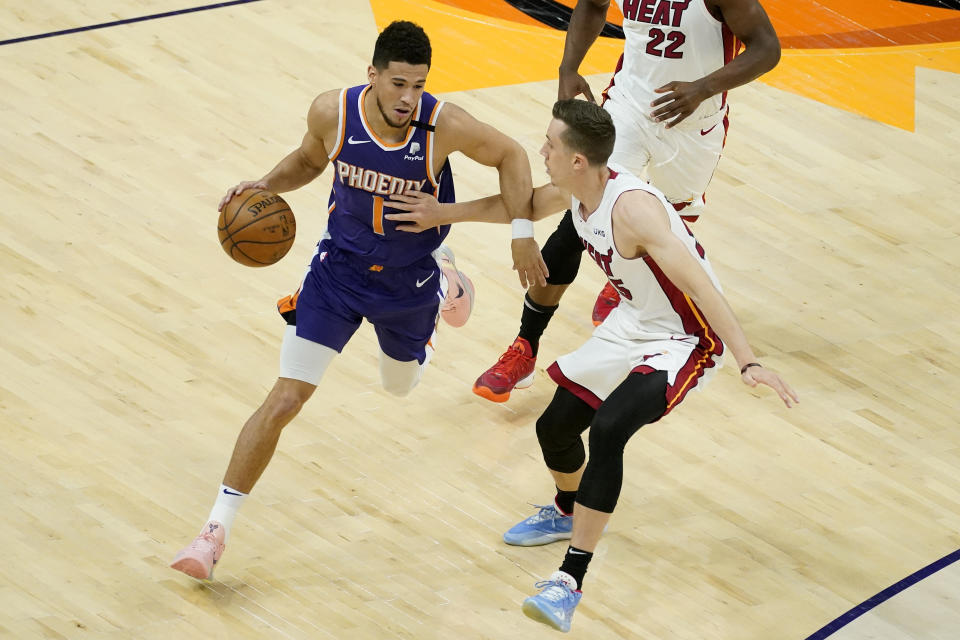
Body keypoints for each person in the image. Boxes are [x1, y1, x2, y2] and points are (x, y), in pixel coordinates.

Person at [386, 98, 798, 632]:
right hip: (633, 322)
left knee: (608, 429)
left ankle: (569, 581)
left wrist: (748, 362)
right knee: (553, 427)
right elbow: (522, 206)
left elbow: (700, 284)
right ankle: (567, 508)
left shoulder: (632, 209)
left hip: (685, 337)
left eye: (550, 145)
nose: (542, 151)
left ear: (578, 160)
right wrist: (443, 214)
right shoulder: (575, 189)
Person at [169, 20, 543, 581]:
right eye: (398, 84)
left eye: (418, 85)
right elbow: (309, 160)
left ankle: (446, 283)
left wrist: (520, 232)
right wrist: (263, 188)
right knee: (285, 399)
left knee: (400, 386)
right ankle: (213, 531)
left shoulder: (443, 127)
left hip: (407, 281)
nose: (409, 98)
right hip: (337, 274)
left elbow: (512, 154)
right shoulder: (332, 112)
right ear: (372, 75)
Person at [472, 0, 781, 403]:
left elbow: (766, 49)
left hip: (694, 124)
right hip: (629, 111)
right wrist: (568, 66)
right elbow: (592, 5)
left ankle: (628, 291)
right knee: (577, 221)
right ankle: (524, 347)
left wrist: (702, 87)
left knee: (666, 228)